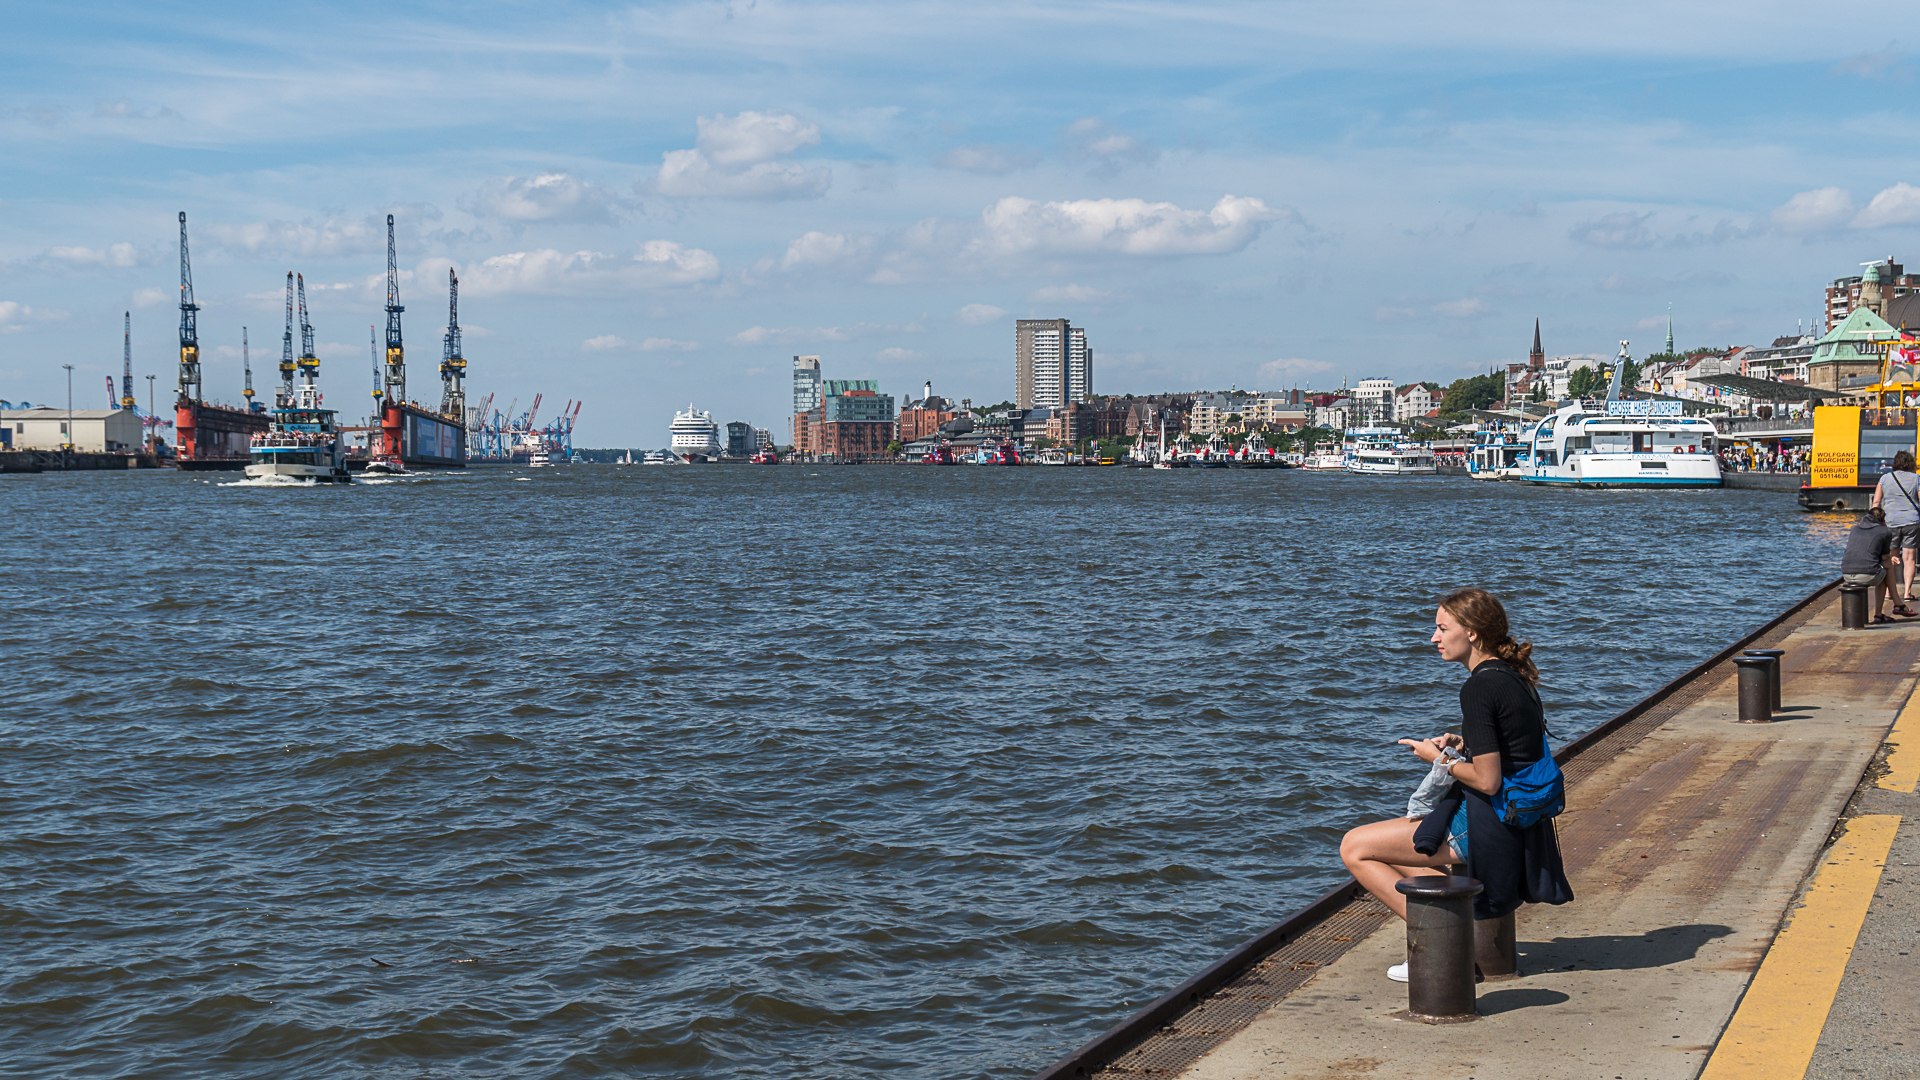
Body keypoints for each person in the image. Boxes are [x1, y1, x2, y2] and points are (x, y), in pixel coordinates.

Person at [1339, 588, 1574, 982]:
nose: (1434, 638)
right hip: (1521, 819)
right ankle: (1453, 927)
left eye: (1442, 628)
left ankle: (1445, 944)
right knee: (1399, 851)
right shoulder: (1512, 676)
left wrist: (1439, 759)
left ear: (1472, 633)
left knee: (1356, 847)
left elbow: (1487, 779)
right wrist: (1466, 744)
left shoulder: (1478, 688)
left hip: (1490, 821)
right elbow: (1515, 748)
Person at [1872, 451, 1920, 616]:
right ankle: (1907, 593)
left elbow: (1876, 502)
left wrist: (1876, 522)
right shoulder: (1916, 479)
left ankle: (1888, 592)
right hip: (1911, 522)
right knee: (1909, 558)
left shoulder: (1885, 479)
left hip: (1890, 522)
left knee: (1890, 558)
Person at [1844, 507, 1895, 623]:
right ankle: (1880, 613)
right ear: (1883, 520)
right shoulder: (1885, 531)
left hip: (1846, 574)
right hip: (1867, 575)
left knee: (1882, 568)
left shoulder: (1854, 529)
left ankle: (1897, 604)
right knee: (1885, 570)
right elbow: (1885, 557)